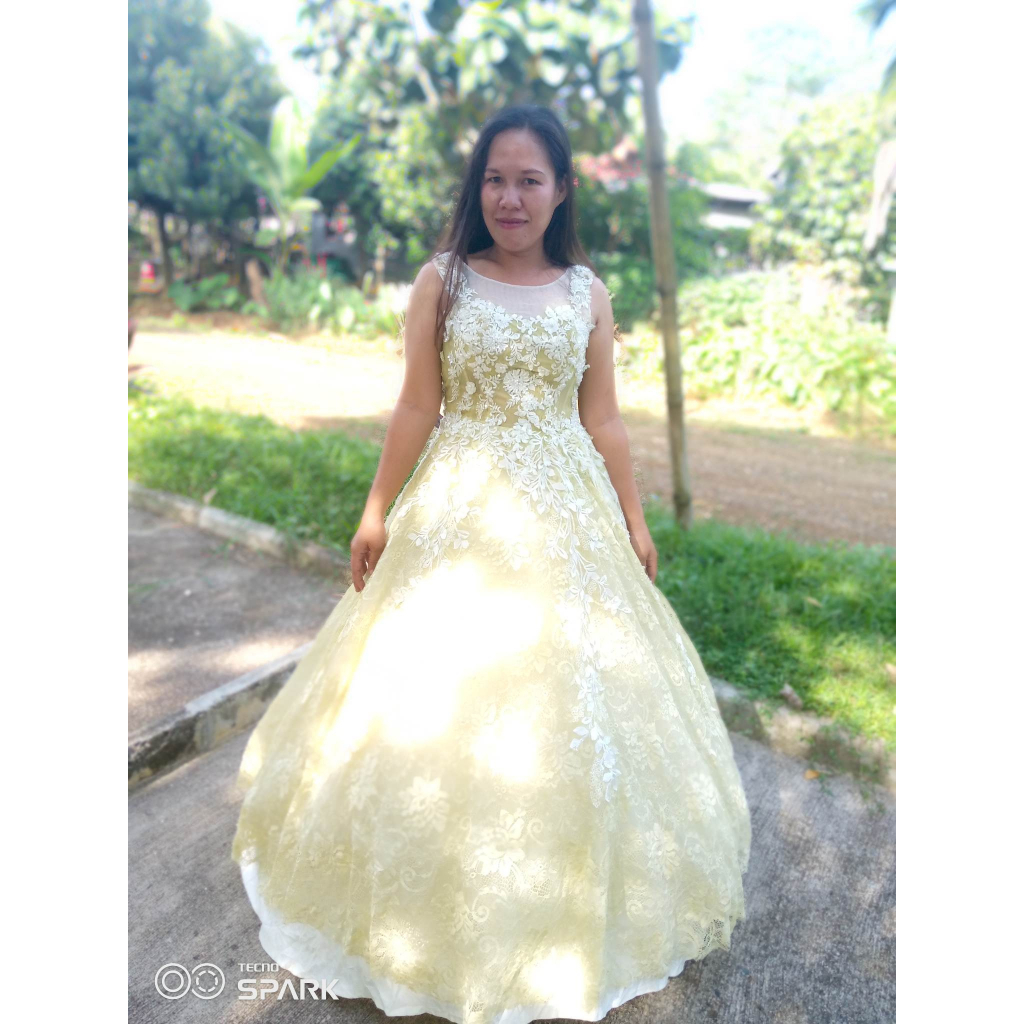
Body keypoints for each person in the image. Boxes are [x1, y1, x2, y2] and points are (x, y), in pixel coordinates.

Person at [232, 104, 751, 1024]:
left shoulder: (587, 293)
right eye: (496, 180)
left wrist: (633, 518)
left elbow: (603, 418)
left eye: (530, 180)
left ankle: (558, 909)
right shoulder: (444, 281)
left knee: (573, 706)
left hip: (568, 514)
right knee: (434, 700)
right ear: (479, 189)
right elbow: (416, 406)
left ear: (563, 191)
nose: (511, 197)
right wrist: (375, 508)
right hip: (458, 510)